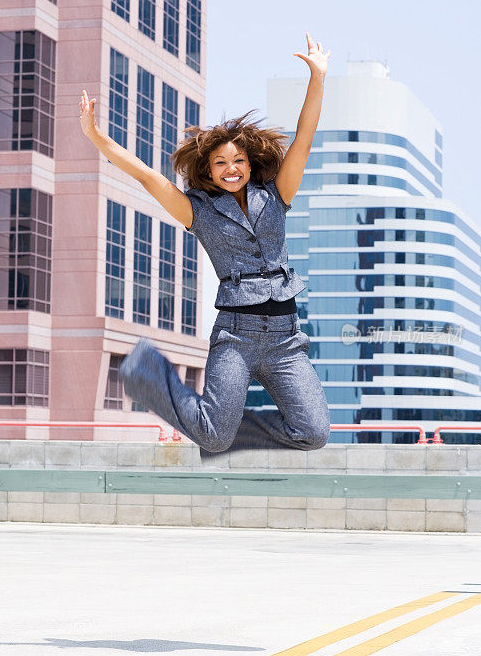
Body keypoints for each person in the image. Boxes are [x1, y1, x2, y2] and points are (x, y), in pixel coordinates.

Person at [79, 32, 331, 457]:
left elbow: (303, 139)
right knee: (213, 436)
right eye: (221, 164)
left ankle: (226, 434)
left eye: (238, 161)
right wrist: (96, 137)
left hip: (287, 339)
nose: (231, 169)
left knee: (314, 432)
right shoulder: (198, 211)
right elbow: (146, 176)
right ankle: (149, 374)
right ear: (209, 172)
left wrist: (318, 78)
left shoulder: (277, 194)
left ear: (250, 164)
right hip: (235, 335)